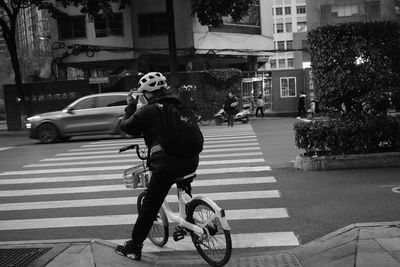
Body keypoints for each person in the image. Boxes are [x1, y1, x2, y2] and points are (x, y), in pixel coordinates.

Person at [116, 72, 199, 260]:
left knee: (150, 205)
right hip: (191, 159)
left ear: (146, 94)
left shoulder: (148, 110)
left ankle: (134, 246)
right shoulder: (178, 104)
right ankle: (188, 221)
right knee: (183, 186)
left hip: (166, 165)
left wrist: (130, 105)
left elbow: (127, 127)